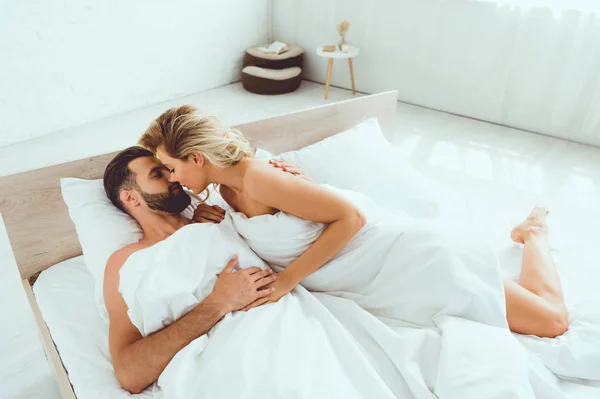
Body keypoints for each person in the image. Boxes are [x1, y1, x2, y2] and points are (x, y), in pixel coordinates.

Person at [138, 105, 569, 339]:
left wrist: (287, 281)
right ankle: (530, 240)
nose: (172, 178)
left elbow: (352, 217)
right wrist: (213, 216)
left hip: (406, 258)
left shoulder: (256, 178)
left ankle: (535, 234)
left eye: (169, 168)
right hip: (372, 279)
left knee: (552, 322)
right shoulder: (226, 192)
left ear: (197, 158)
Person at [102, 146, 278, 394]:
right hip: (228, 361)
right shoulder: (125, 262)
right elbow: (130, 374)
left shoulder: (217, 213)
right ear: (131, 198)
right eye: (157, 174)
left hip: (281, 321)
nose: (172, 177)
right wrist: (218, 303)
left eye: (169, 170)